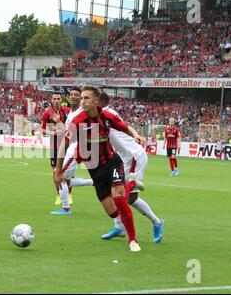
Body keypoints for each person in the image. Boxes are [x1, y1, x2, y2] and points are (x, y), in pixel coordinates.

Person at [54, 85, 146, 252]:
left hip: (112, 162)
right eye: (82, 98)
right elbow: (64, 144)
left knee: (119, 197)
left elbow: (125, 127)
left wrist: (136, 135)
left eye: (86, 98)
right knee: (112, 212)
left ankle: (133, 240)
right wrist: (58, 170)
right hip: (95, 171)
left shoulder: (106, 116)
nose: (83, 101)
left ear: (96, 101)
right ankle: (131, 183)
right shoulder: (77, 121)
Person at [99, 93, 164, 243]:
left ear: (100, 101)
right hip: (124, 157)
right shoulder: (103, 114)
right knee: (115, 193)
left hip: (133, 156)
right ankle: (119, 227)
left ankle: (157, 222)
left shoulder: (106, 114)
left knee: (128, 197)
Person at [51, 87, 93, 215]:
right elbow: (67, 132)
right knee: (62, 177)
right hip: (73, 147)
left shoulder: (82, 112)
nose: (73, 97)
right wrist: (58, 121)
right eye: (71, 95)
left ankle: (66, 209)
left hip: (77, 148)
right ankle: (95, 181)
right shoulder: (71, 113)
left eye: (77, 95)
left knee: (59, 175)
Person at [42, 92, 70, 206]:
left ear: (61, 99)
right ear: (51, 100)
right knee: (55, 172)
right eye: (54, 99)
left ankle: (69, 194)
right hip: (54, 146)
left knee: (68, 172)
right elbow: (43, 129)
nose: (57, 100)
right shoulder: (47, 113)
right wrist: (52, 132)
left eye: (58, 98)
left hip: (67, 145)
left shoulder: (67, 112)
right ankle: (59, 195)